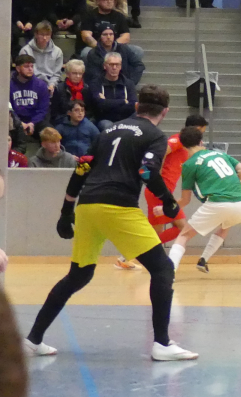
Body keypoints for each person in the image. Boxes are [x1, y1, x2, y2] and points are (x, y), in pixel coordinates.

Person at [24, 85, 198, 361]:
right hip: (118, 206)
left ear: (137, 106)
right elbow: (147, 171)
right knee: (163, 269)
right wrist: (168, 200)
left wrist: (66, 211)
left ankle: (33, 339)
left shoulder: (107, 130)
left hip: (88, 206)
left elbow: (82, 167)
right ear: (164, 112)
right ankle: (162, 344)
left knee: (78, 275)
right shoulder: (155, 136)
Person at [164, 127, 241, 274]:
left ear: (183, 146)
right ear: (201, 142)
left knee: (184, 236)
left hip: (218, 204)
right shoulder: (221, 154)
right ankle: (204, 259)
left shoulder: (189, 164)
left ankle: (168, 274)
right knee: (225, 225)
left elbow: (185, 200)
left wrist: (165, 208)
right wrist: (228, 181)